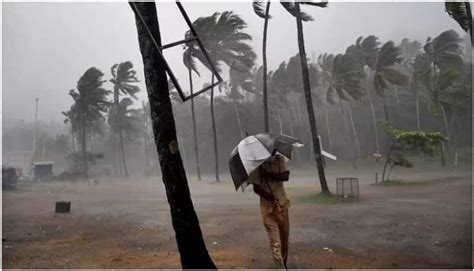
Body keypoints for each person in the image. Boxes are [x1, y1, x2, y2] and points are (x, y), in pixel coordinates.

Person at [251, 152, 291, 269]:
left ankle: (284, 262)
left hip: (282, 205)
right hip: (267, 209)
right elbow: (256, 188)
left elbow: (285, 176)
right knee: (275, 242)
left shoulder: (280, 159)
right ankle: (280, 268)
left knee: (284, 239)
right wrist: (269, 196)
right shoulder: (256, 166)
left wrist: (267, 174)